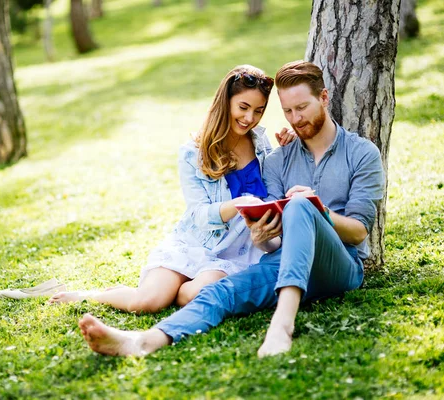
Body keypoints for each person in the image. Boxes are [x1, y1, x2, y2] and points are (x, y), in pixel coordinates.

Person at [76, 60, 385, 357]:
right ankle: (142, 341)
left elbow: (359, 233)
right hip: (284, 260)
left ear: (324, 98)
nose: (295, 119)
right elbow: (272, 240)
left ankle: (281, 325)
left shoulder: (362, 153)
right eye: (288, 111)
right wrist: (261, 235)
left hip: (340, 265)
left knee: (302, 205)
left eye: (302, 108)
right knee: (217, 293)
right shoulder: (278, 160)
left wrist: (320, 212)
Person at [49, 65, 296, 313]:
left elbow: (272, 182)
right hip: (195, 244)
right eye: (243, 107)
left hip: (234, 253)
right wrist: (240, 205)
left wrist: (287, 148)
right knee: (146, 303)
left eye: (258, 111)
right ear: (226, 102)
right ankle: (95, 295)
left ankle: (177, 288)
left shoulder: (261, 143)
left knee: (200, 293)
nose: (249, 118)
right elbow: (199, 215)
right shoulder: (193, 152)